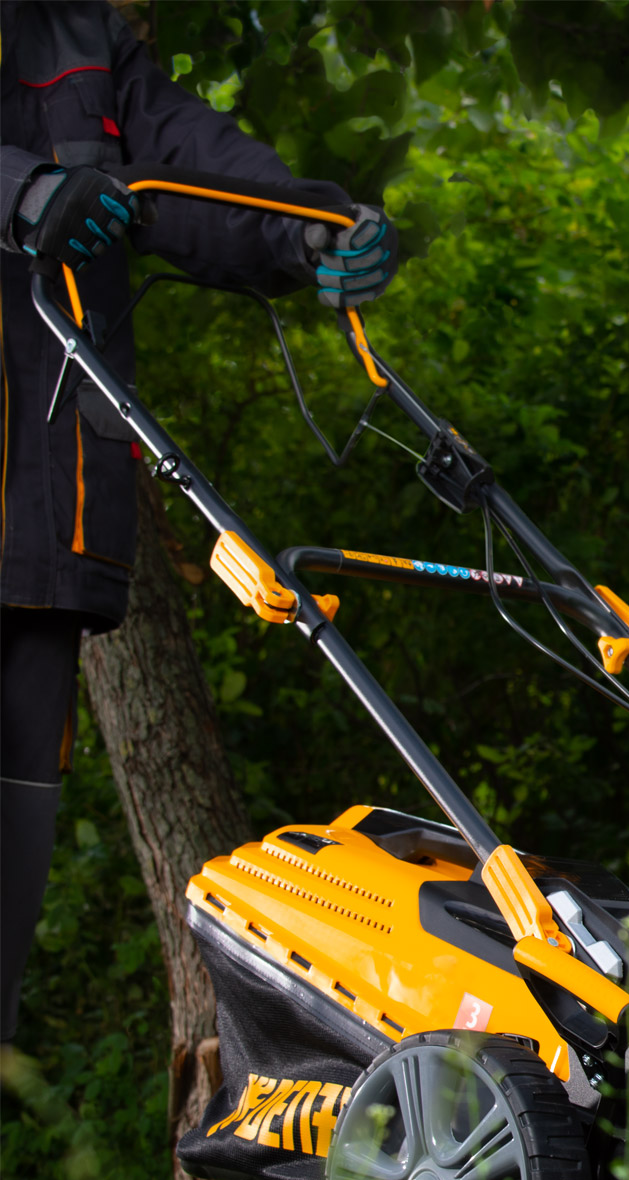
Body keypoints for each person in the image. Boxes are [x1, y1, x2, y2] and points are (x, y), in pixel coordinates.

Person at [0, 0, 397, 1044]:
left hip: (40, 544)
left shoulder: (75, 42)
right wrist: (23, 192)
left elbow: (189, 164)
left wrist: (312, 227)